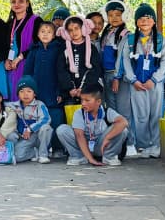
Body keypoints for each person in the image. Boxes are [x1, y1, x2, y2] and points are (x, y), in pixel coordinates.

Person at [119, 3, 165, 159]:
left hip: (155, 84)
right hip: (137, 84)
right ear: (136, 22)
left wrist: (154, 80)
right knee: (140, 115)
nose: (144, 21)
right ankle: (143, 146)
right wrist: (133, 80)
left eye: (148, 18)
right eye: (141, 19)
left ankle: (156, 145)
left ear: (154, 21)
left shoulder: (161, 40)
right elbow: (125, 62)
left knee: (156, 114)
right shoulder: (130, 40)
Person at [57, 83, 128, 166]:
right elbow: (79, 135)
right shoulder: (79, 113)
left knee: (123, 129)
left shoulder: (107, 111)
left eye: (87, 100)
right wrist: (91, 159)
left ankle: (109, 157)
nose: (83, 103)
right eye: (82, 100)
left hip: (102, 147)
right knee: (62, 129)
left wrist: (108, 138)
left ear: (98, 102)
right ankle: (79, 157)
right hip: (83, 146)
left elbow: (124, 122)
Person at [99, 0, 134, 154]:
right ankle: (116, 144)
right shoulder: (106, 33)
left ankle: (130, 143)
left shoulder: (126, 34)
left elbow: (122, 57)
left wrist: (117, 77)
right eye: (111, 15)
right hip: (106, 75)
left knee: (123, 109)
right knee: (112, 111)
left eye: (118, 15)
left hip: (119, 77)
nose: (114, 18)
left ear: (124, 16)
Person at [23, 20, 65, 151]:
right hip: (38, 92)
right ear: (38, 34)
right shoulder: (34, 50)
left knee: (56, 118)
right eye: (42, 31)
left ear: (54, 35)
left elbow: (62, 72)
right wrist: (28, 90)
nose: (45, 34)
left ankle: (57, 148)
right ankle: (39, 148)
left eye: (49, 32)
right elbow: (27, 72)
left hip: (53, 92)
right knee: (38, 119)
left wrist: (60, 92)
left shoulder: (59, 49)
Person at [3, 0, 43, 101]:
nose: (17, 4)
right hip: (11, 68)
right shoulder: (9, 23)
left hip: (28, 65)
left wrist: (20, 57)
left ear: (27, 3)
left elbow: (39, 44)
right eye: (13, 2)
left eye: (20, 1)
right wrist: (7, 60)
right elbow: (7, 46)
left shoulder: (36, 20)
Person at [57, 16, 103, 104]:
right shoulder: (64, 48)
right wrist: (70, 88)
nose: (74, 32)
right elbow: (61, 70)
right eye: (70, 30)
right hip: (70, 93)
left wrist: (84, 88)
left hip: (88, 91)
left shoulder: (91, 48)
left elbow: (95, 69)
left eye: (76, 28)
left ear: (83, 28)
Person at [12, 75, 53, 164]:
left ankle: (43, 154)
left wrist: (30, 129)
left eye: (29, 91)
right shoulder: (14, 106)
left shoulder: (40, 104)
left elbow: (46, 119)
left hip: (38, 136)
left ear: (34, 94)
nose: (25, 94)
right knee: (16, 156)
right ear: (18, 94)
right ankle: (34, 153)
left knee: (46, 128)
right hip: (25, 138)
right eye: (21, 91)